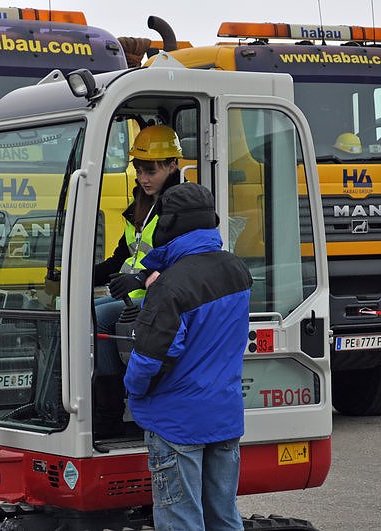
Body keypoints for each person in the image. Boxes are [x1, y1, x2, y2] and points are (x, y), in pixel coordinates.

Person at [124, 183, 252, 530]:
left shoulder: (171, 286)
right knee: (225, 518)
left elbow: (151, 359)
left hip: (177, 422)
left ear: (172, 224)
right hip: (224, 416)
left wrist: (133, 391)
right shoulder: (236, 270)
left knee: (182, 521)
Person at [92, 124, 183, 438]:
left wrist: (139, 280)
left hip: (161, 293)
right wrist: (76, 277)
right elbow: (119, 258)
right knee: (81, 307)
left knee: (99, 317)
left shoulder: (179, 204)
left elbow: (179, 259)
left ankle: (109, 411)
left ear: (172, 166)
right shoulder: (142, 206)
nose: (143, 178)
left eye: (151, 171)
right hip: (136, 290)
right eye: (138, 170)